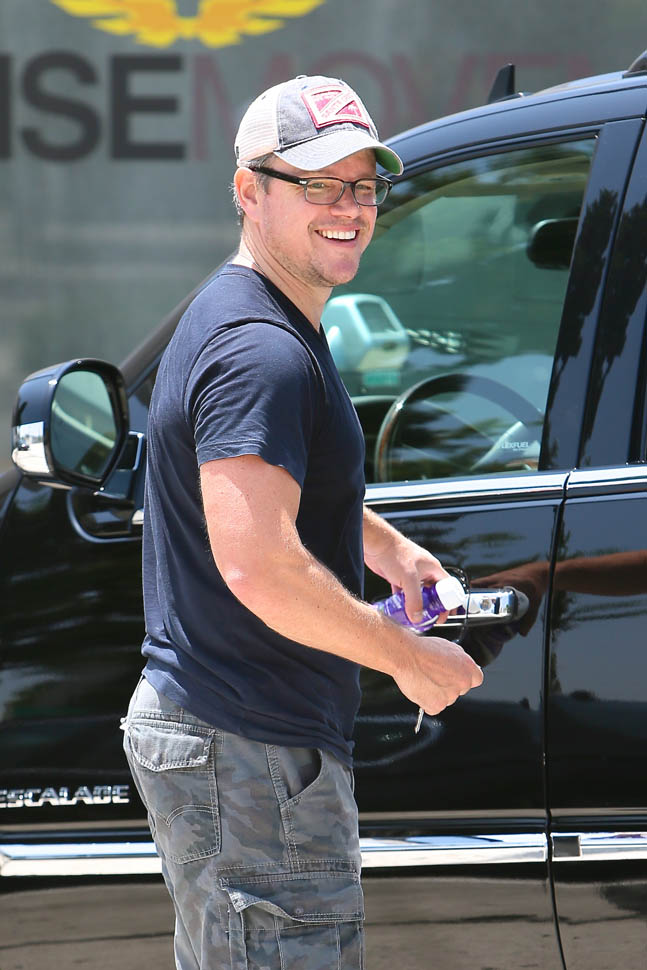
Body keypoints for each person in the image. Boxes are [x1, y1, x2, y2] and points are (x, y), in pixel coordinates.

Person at [122, 74, 483, 970]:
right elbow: (260, 566)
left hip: (237, 739)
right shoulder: (259, 350)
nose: (348, 208)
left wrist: (388, 549)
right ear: (249, 190)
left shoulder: (259, 317)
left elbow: (279, 483)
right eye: (318, 183)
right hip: (246, 744)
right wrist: (406, 658)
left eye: (362, 185)